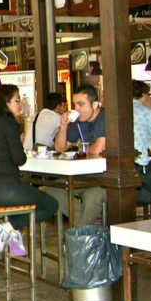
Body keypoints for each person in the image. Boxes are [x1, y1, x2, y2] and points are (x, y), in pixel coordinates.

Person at [0, 84, 58, 256]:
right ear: (5, 103)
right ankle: (7, 228)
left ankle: (12, 236)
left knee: (18, 197)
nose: (20, 104)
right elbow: (20, 159)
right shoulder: (9, 123)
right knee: (50, 205)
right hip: (4, 191)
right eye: (17, 100)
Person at [50, 84, 107, 226]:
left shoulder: (105, 117)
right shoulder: (78, 122)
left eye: (81, 104)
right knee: (53, 188)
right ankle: (85, 224)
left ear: (94, 104)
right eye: (74, 104)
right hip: (88, 174)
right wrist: (63, 126)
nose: (76, 109)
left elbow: (98, 150)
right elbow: (60, 147)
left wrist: (84, 149)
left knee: (91, 196)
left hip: (108, 175)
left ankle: (82, 229)